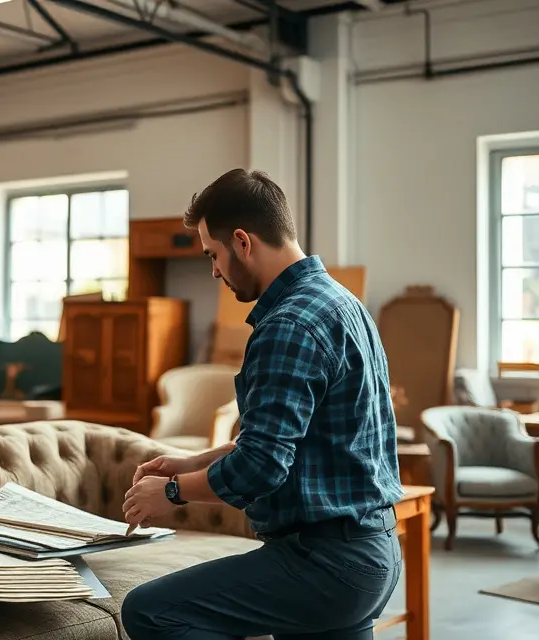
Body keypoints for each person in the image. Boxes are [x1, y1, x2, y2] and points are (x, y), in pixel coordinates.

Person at [119, 169, 403, 640]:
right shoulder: (342, 302)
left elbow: (262, 466)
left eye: (213, 255)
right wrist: (190, 462)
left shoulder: (288, 325)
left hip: (325, 566)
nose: (213, 271)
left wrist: (172, 493)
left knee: (151, 612)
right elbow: (282, 442)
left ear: (242, 242)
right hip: (372, 555)